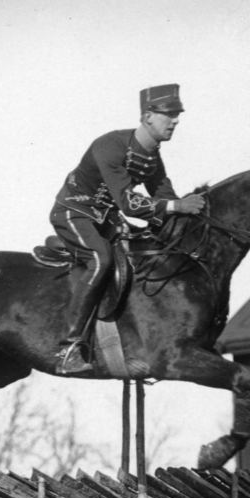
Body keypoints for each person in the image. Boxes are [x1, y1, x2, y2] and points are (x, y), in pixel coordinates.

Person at [49, 83, 206, 375]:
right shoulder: (110, 145)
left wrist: (191, 215)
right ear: (147, 116)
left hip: (105, 219)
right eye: (168, 114)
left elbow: (164, 196)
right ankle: (68, 349)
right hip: (74, 212)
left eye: (177, 115)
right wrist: (177, 206)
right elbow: (129, 204)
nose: (175, 120)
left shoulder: (152, 156)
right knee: (101, 259)